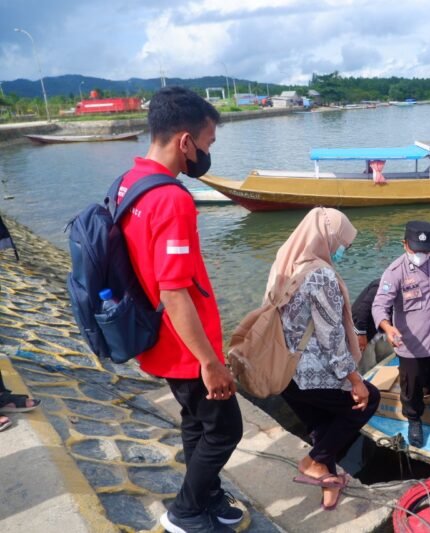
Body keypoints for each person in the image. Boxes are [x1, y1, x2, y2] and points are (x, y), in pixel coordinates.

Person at [117, 87, 243, 533]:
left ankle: (207, 496)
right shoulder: (171, 198)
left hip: (158, 335)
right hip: (185, 346)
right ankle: (186, 511)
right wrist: (209, 361)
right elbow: (173, 290)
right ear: (185, 141)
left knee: (197, 424)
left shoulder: (129, 183)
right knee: (226, 431)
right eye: (207, 145)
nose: (207, 154)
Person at [268, 207, 379, 511]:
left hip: (283, 370)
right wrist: (355, 379)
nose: (344, 249)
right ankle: (314, 461)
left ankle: (327, 479)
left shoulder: (285, 260)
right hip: (310, 374)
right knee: (368, 400)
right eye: (343, 243)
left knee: (323, 424)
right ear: (329, 237)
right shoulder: (321, 275)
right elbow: (331, 336)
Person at [372, 221, 430, 452]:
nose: (421, 255)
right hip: (411, 345)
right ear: (405, 245)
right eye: (416, 250)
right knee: (411, 386)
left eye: (426, 250)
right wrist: (387, 327)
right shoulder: (395, 272)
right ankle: (414, 421)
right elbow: (379, 306)